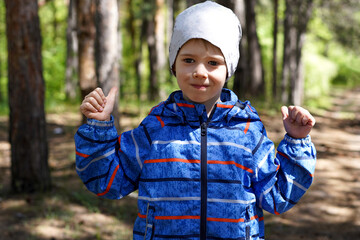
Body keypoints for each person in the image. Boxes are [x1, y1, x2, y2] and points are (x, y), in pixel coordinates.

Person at [75, 1, 316, 239]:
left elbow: (277, 197)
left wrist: (297, 142)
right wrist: (99, 128)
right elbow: (106, 180)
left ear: (228, 68)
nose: (200, 71)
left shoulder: (246, 131)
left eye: (213, 62)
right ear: (174, 65)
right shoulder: (156, 128)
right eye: (189, 60)